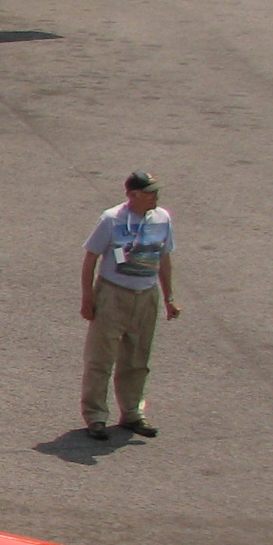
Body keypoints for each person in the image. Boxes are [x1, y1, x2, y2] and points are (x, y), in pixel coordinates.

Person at [81, 171, 179, 440]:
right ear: (132, 195)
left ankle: (132, 413)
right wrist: (88, 299)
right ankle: (96, 416)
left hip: (146, 295)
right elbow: (90, 259)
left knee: (137, 359)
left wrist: (169, 298)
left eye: (156, 192)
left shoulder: (162, 218)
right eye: (149, 192)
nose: (155, 197)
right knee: (100, 359)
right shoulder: (111, 219)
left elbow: (164, 258)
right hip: (113, 294)